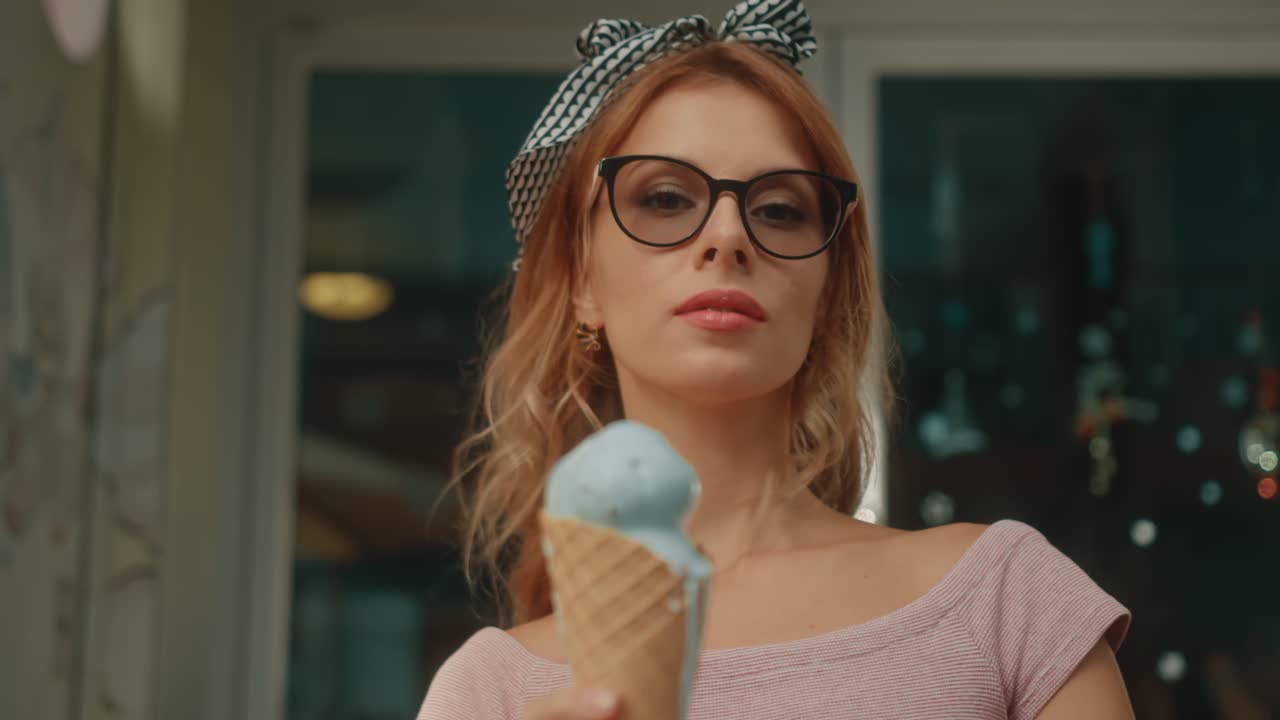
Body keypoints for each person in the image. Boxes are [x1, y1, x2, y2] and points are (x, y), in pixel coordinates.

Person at [419, 1, 1132, 718]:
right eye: (665, 198)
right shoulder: (491, 692)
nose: (728, 236)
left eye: (780, 210)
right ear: (581, 281)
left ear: (826, 295)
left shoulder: (1003, 601)